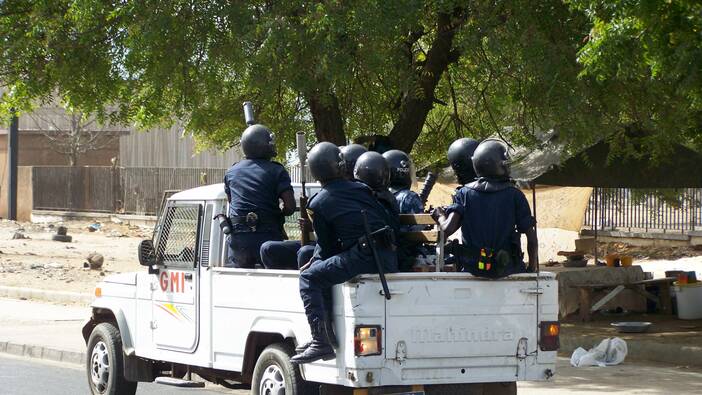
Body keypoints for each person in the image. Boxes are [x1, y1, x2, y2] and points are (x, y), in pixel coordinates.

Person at [291, 142, 398, 364]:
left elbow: (327, 247)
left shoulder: (318, 202)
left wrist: (313, 263)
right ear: (341, 166)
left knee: (309, 278)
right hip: (388, 257)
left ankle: (321, 342)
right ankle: (324, 339)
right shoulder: (362, 189)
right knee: (318, 271)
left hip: (365, 258)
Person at [432, 139, 538, 278]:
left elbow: (447, 230)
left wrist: (440, 215)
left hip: (473, 271)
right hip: (508, 270)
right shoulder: (515, 195)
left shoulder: (463, 194)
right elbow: (532, 239)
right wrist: (531, 268)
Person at [260, 144, 368, 270]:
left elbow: (340, 237)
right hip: (328, 245)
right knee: (268, 249)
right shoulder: (333, 194)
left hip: (349, 251)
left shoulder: (365, 193)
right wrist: (313, 226)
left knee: (305, 253)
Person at [223, 124, 295, 269]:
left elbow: (231, 203)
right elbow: (290, 207)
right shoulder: (277, 170)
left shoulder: (231, 172)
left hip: (239, 243)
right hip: (268, 241)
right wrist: (280, 211)